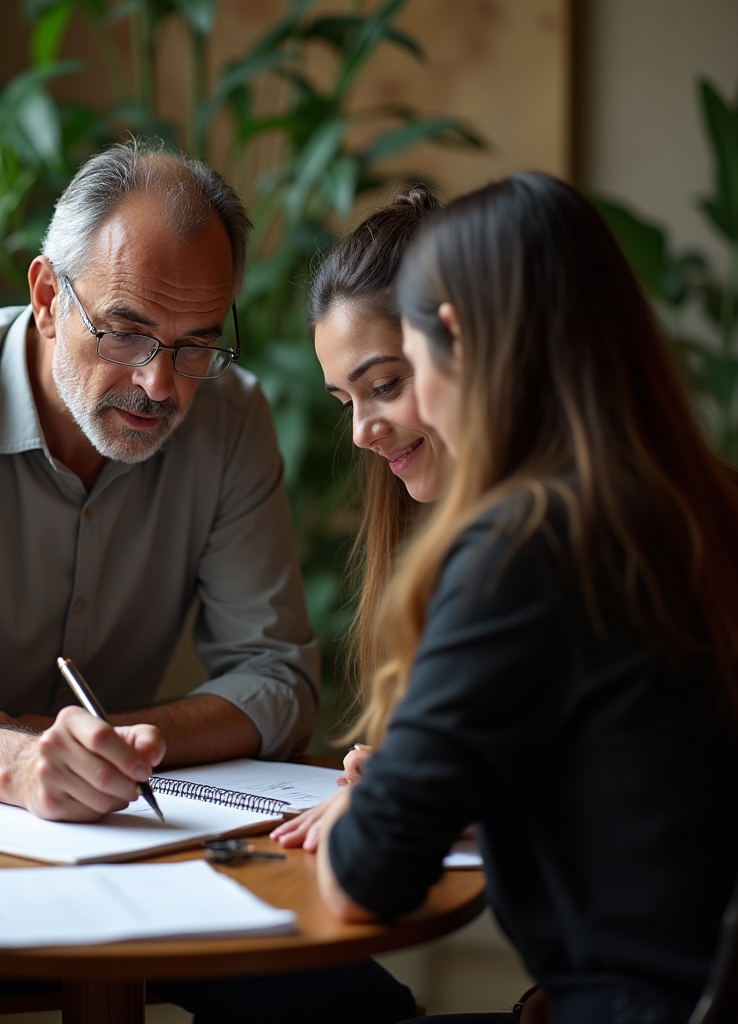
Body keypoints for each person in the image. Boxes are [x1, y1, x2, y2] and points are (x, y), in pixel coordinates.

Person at [0, 140, 414, 1024]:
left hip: (116, 803)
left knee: (343, 1006)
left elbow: (277, 681)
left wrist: (109, 744)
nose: (159, 384)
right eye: (125, 331)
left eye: (197, 345)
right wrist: (17, 764)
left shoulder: (232, 419)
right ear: (47, 298)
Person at [314, 173, 738, 1023]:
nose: (371, 428)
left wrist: (377, 796)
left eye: (401, 375)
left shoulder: (523, 546)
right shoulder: (697, 505)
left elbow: (364, 878)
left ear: (458, 338)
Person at [269, 187, 449, 853]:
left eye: (385, 386)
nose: (361, 434)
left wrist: (425, 791)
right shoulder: (443, 543)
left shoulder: (536, 547)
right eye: (345, 400)